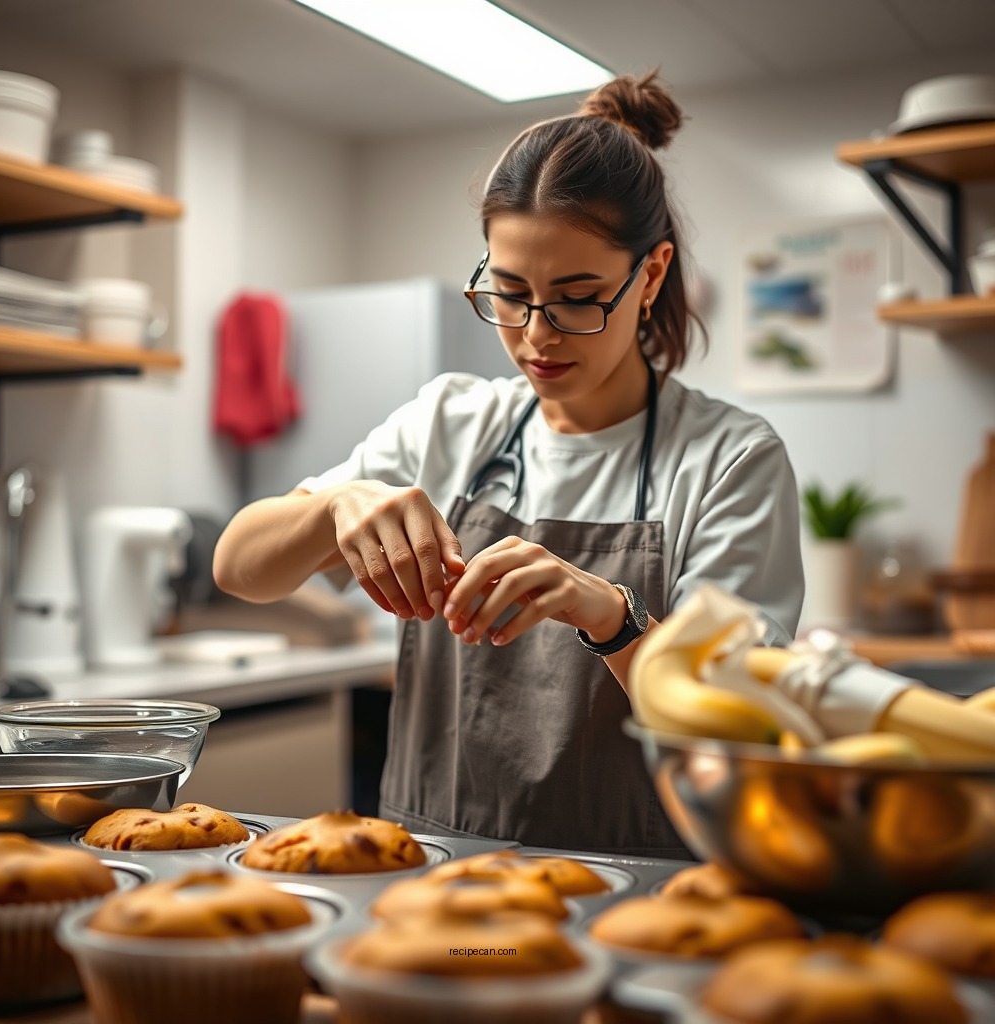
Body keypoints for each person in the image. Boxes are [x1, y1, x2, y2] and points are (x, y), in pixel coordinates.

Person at [213, 71, 804, 857]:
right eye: (510, 292)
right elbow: (238, 568)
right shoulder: (453, 422)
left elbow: (740, 726)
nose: (536, 335)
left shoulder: (730, 459)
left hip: (634, 885)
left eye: (578, 296)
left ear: (652, 274)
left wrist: (609, 614)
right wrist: (334, 506)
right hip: (427, 874)